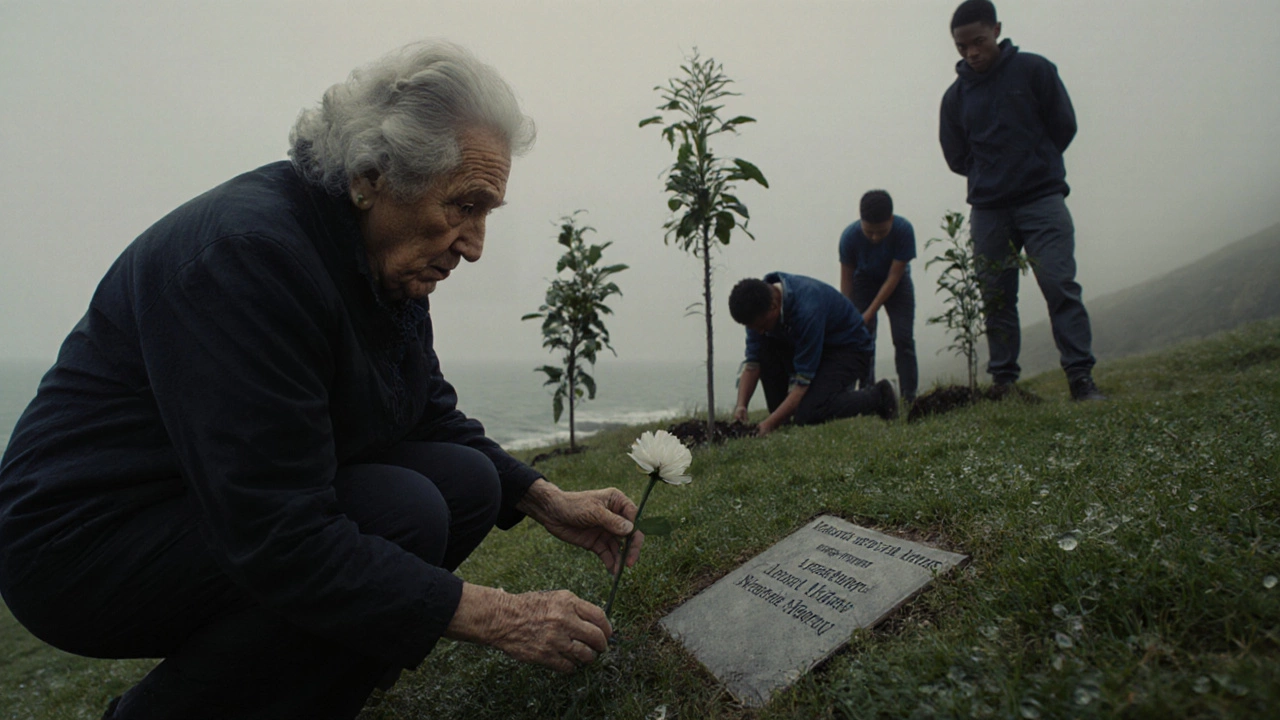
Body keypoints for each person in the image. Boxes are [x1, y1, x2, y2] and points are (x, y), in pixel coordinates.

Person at [0, 41, 644, 719]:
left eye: (488, 214)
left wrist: (545, 499)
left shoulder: (382, 258)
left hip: (207, 502)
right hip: (80, 543)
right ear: (371, 176)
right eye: (464, 206)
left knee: (468, 484)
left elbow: (425, 410)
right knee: (401, 512)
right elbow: (281, 535)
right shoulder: (247, 257)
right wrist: (501, 616)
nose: (476, 245)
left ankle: (311, 692)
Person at [939, 0, 1106, 401]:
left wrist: (1036, 164)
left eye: (978, 42)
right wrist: (989, 178)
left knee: (1058, 283)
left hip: (1042, 199)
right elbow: (955, 156)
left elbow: (1063, 124)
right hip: (989, 210)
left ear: (997, 29)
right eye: (962, 47)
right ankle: (1004, 383)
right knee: (996, 296)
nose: (972, 53)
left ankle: (1081, 378)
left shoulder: (1035, 70)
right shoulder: (954, 98)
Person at [730, 272, 898, 436]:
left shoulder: (807, 309)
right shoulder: (757, 309)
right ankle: (784, 414)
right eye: (753, 327)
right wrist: (741, 406)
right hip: (810, 345)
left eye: (762, 325)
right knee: (765, 348)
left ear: (774, 306)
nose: (758, 331)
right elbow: (753, 363)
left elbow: (802, 383)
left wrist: (768, 424)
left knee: (809, 412)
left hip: (848, 349)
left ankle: (879, 395)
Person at [839, 189, 919, 402]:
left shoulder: (904, 230)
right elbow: (846, 282)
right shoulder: (849, 238)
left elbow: (894, 277)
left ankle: (909, 395)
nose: (875, 237)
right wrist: (847, 315)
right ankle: (867, 395)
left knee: (903, 339)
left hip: (897, 284)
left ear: (891, 219)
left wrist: (870, 312)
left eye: (881, 232)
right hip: (863, 282)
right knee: (864, 339)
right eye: (869, 232)